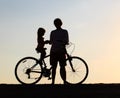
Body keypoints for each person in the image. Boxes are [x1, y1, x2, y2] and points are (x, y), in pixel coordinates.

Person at [49, 18, 69, 84]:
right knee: (61, 67)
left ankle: (54, 82)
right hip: (59, 51)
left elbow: (51, 41)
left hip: (56, 51)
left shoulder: (53, 32)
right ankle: (63, 81)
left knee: (56, 67)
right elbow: (66, 41)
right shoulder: (64, 32)